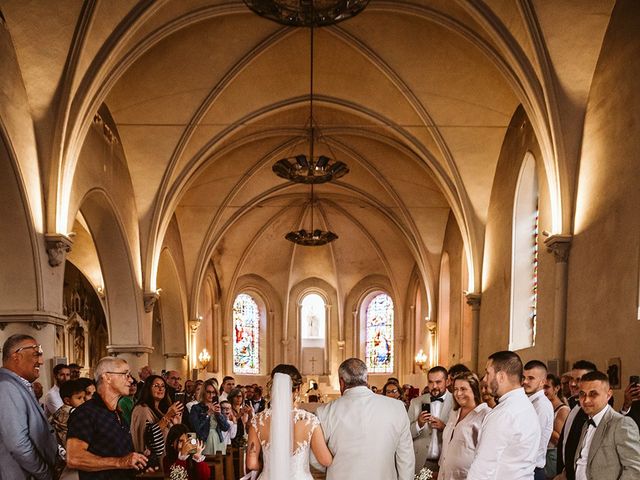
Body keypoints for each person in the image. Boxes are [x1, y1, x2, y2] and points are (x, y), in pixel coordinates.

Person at [315, 358, 414, 479]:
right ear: (367, 379)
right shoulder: (396, 407)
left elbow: (316, 459)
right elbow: (406, 457)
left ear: (341, 382)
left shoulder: (324, 412)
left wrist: (335, 467)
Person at [66, 357, 150, 479]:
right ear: (107, 377)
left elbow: (119, 455)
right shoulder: (85, 413)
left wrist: (140, 461)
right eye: (125, 374)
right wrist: (120, 462)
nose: (131, 380)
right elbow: (74, 458)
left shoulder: (116, 413)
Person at [246, 364, 332, 479]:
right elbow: (325, 460)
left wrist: (264, 467)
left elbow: (251, 464)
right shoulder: (309, 420)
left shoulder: (257, 420)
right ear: (297, 389)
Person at [467, 351, 540, 480]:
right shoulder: (526, 406)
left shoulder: (503, 413)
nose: (484, 379)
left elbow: (483, 468)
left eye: (488, 373)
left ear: (501, 376)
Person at [555, 371, 640, 480]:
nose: (586, 400)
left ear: (608, 395)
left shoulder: (621, 424)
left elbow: (634, 469)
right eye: (582, 394)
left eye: (593, 394)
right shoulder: (586, 423)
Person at [0, 334, 58, 479]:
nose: (41, 361)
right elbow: (18, 444)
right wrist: (44, 473)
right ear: (16, 356)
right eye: (36, 354)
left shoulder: (17, 384)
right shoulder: (6, 387)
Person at [439, 372, 490, 479]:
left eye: (463, 389)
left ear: (475, 390)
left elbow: (487, 456)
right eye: (456, 389)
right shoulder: (454, 413)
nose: (458, 393)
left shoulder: (485, 415)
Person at [407, 365, 453, 474]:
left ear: (447, 382)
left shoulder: (456, 401)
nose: (434, 386)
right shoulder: (416, 402)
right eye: (431, 382)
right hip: (421, 461)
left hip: (446, 463)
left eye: (438, 382)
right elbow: (406, 434)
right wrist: (419, 424)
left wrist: (444, 427)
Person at [556, 360, 597, 479]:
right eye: (571, 379)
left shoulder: (594, 412)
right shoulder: (574, 407)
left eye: (578, 379)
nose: (572, 384)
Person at [130, 374, 183, 454]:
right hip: (149, 461)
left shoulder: (159, 410)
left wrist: (176, 424)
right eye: (156, 386)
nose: (161, 389)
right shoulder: (142, 409)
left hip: (164, 458)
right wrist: (168, 415)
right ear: (148, 388)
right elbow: (149, 438)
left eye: (163, 386)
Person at [523, 360, 554, 480]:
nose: (525, 382)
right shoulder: (529, 402)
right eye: (524, 377)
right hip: (526, 468)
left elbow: (531, 440)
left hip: (533, 470)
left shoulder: (541, 405)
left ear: (543, 382)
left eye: (531, 378)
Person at [190, 379, 230, 455]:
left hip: (218, 440)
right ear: (204, 392)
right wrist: (208, 414)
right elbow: (196, 428)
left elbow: (226, 427)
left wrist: (219, 415)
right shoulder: (196, 408)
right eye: (208, 392)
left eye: (213, 392)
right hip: (203, 441)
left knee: (219, 464)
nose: (211, 395)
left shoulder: (218, 406)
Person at [543, 374, 570, 478]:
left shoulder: (562, 410)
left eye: (547, 387)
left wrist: (541, 424)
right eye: (542, 387)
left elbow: (558, 439)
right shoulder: (545, 406)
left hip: (552, 455)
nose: (543, 391)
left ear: (557, 388)